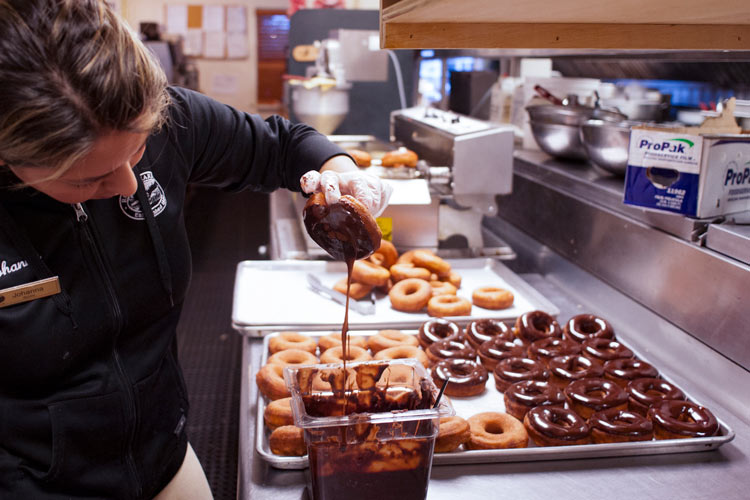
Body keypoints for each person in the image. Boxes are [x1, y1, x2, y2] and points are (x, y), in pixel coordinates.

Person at [0, 1, 391, 498]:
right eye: (89, 178)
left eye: (138, 151)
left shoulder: (169, 119)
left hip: (163, 454)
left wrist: (341, 174)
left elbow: (281, 144)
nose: (126, 184)